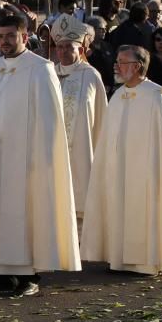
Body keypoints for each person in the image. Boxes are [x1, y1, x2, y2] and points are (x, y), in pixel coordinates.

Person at [0, 13, 80, 297]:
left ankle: (29, 275)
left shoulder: (40, 69)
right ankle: (0, 274)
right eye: (0, 37)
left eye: (11, 36)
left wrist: (43, 160)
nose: (5, 42)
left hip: (25, 158)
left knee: (24, 213)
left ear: (25, 37)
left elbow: (49, 121)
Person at [81, 45, 162, 275]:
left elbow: (161, 143)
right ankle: (119, 258)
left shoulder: (155, 96)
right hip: (118, 168)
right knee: (118, 205)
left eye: (122, 61)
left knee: (144, 206)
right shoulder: (119, 95)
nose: (117, 66)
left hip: (145, 170)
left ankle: (146, 261)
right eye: (117, 61)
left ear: (137, 66)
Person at [52, 15, 107, 225]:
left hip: (83, 147)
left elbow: (101, 114)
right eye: (59, 47)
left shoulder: (91, 75)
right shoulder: (47, 73)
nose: (63, 51)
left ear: (80, 50)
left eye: (68, 47)